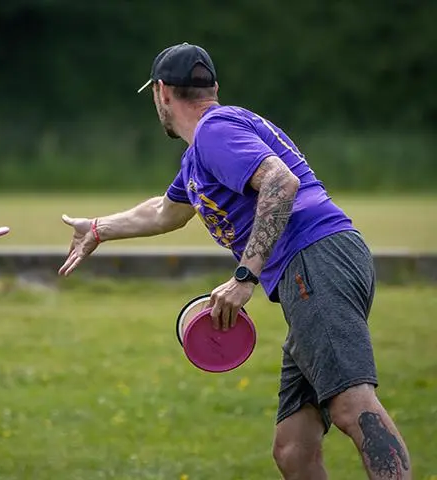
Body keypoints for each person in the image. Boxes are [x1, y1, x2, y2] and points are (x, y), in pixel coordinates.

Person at [57, 42, 412, 480]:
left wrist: (245, 276)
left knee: (352, 407)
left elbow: (280, 182)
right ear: (214, 87)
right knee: (293, 448)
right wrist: (97, 229)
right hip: (314, 265)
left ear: (161, 92)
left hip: (316, 257)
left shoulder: (215, 132)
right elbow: (166, 212)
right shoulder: (202, 152)